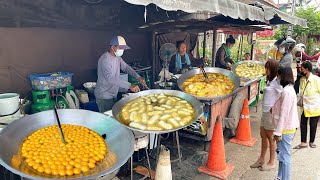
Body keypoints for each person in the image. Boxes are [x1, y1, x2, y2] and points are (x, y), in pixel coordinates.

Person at [94, 36, 146, 112]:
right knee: (108, 120)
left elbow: (126, 67)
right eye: (120, 48)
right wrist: (129, 85)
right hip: (104, 95)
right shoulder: (105, 59)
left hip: (113, 93)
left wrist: (138, 77)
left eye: (123, 48)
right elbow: (110, 78)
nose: (122, 50)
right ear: (113, 47)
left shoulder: (117, 57)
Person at [250, 59, 282, 171]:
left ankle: (271, 162)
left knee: (271, 138)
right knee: (263, 135)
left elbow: (283, 94)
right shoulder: (269, 80)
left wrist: (275, 108)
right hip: (265, 112)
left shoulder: (277, 82)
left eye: (267, 68)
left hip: (270, 113)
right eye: (266, 67)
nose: (266, 70)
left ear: (272, 69)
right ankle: (261, 159)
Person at [272, 66, 299, 180]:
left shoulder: (287, 92)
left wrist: (278, 132)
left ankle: (285, 178)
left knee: (285, 156)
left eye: (278, 76)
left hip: (286, 129)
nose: (277, 78)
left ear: (283, 76)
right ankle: (280, 177)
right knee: (281, 155)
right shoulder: (288, 89)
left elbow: (284, 114)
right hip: (286, 128)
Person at [294, 61, 320, 149]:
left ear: (307, 69)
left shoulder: (316, 79)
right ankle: (303, 142)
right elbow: (297, 90)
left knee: (313, 125)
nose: (300, 70)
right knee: (303, 124)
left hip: (314, 107)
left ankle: (311, 141)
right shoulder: (302, 79)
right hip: (305, 106)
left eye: (302, 68)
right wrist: (298, 78)